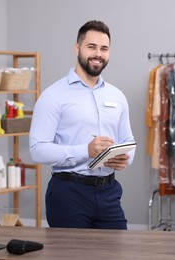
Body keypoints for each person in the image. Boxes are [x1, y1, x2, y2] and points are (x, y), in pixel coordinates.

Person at [29, 20, 135, 230]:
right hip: (68, 193)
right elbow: (37, 150)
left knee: (116, 253)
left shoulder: (118, 96)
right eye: (91, 47)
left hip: (109, 193)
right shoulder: (53, 96)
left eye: (104, 48)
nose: (98, 54)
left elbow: (129, 141)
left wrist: (125, 158)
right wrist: (85, 150)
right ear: (77, 48)